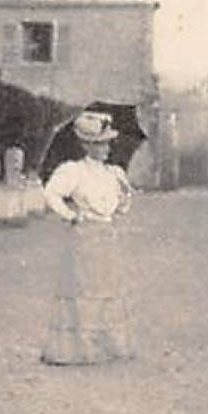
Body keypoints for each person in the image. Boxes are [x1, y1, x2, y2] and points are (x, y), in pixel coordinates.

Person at [40, 110, 133, 365]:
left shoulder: (114, 174)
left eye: (107, 143)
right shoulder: (73, 171)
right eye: (99, 144)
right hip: (83, 238)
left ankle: (108, 345)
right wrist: (71, 216)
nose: (105, 149)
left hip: (107, 237)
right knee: (83, 291)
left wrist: (125, 197)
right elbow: (51, 194)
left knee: (108, 289)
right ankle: (81, 348)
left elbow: (120, 209)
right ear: (85, 145)